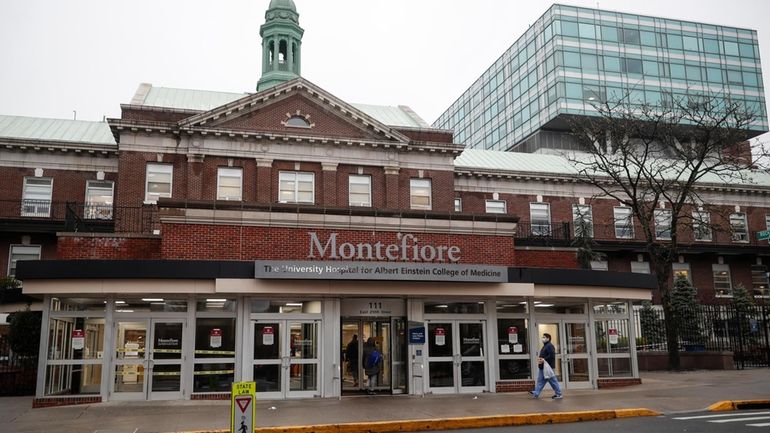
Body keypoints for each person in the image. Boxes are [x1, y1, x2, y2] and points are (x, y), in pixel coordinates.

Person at [530, 333, 563, 399]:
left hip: (548, 367)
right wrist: (540, 359)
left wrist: (543, 359)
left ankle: (559, 394)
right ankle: (536, 393)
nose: (543, 338)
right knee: (540, 380)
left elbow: (552, 356)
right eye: (542, 337)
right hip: (543, 367)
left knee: (553, 381)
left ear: (548, 338)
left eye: (544, 337)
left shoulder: (549, 346)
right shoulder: (545, 346)